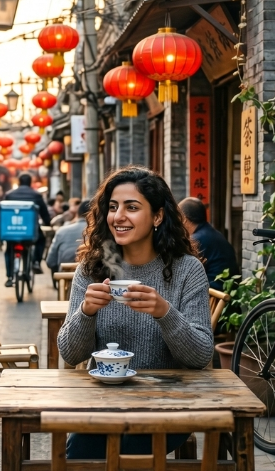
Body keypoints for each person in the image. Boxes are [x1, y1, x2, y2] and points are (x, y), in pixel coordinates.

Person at [57, 166, 213, 458]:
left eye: (132, 207)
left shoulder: (186, 269)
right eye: (113, 207)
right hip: (102, 403)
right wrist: (86, 312)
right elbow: (70, 354)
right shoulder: (92, 268)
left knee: (126, 450)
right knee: (79, 450)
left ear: (157, 216)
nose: (119, 217)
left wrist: (164, 312)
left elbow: (201, 356)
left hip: (168, 405)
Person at [178, 197, 240, 289]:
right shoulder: (213, 233)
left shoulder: (196, 240)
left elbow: (184, 273)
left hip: (213, 294)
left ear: (185, 219)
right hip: (228, 292)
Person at [3, 173, 52, 286]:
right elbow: (44, 212)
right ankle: (35, 262)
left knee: (9, 249)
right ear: (30, 183)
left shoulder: (9, 195)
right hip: (31, 230)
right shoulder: (36, 195)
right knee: (41, 240)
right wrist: (48, 223)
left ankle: (10, 276)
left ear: (19, 182)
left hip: (12, 229)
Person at [46, 200, 89, 274]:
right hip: (91, 278)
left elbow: (50, 262)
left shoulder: (61, 231)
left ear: (77, 214)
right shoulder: (100, 233)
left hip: (64, 275)